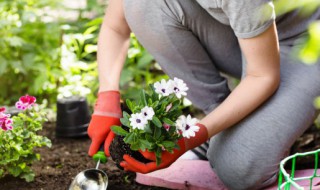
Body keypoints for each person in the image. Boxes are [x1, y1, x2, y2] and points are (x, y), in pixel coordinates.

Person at [87, 0, 320, 189]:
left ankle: (239, 135)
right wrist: (106, 99)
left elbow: (263, 76)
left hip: (307, 42)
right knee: (143, 4)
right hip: (249, 37)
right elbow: (116, 26)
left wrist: (189, 139)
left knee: (238, 170)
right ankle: (223, 127)